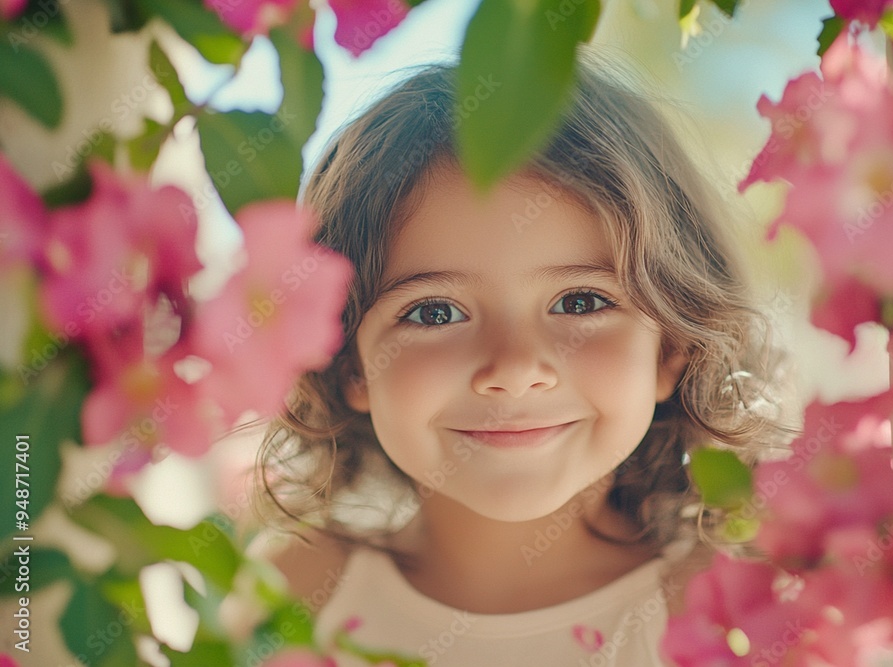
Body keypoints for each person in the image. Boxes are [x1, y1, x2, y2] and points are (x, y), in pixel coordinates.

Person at [258, 56, 785, 666]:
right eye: (435, 313)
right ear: (348, 362)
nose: (513, 369)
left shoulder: (729, 611)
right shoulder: (296, 596)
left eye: (581, 302)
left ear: (669, 348)